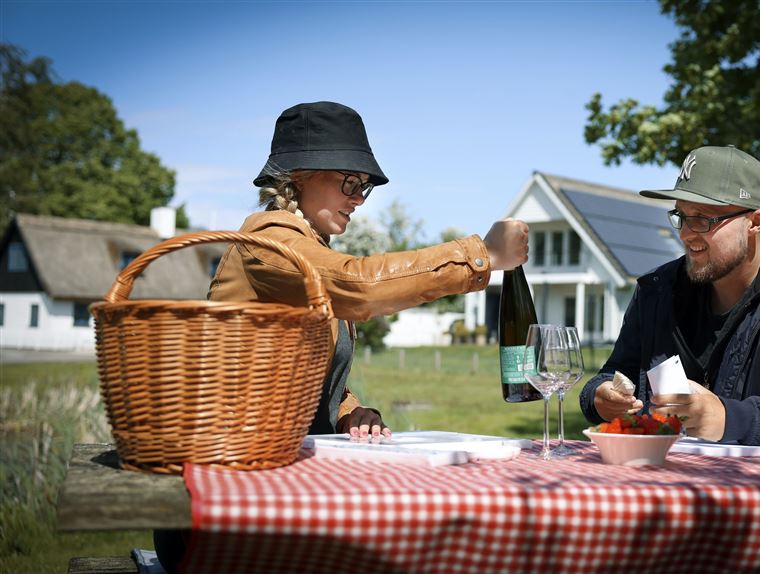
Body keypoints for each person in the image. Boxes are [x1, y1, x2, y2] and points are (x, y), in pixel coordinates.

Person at [154, 100, 529, 573]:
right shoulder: (269, 239)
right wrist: (481, 256)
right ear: (299, 177)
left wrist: (350, 411)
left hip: (274, 488)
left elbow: (300, 377)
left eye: (364, 187)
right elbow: (360, 285)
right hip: (223, 506)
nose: (357, 197)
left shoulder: (308, 250)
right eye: (350, 182)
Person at [578, 145, 760, 447]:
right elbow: (616, 374)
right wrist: (598, 397)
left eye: (702, 219)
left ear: (756, 221)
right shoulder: (656, 291)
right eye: (681, 217)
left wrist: (727, 419)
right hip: (657, 485)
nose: (685, 234)